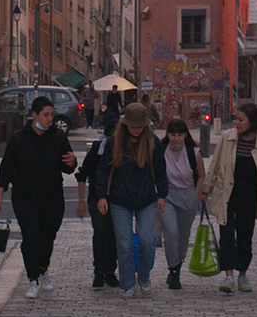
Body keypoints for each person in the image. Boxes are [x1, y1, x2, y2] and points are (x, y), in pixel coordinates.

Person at [0, 96, 78, 299]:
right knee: (31, 236)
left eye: (51, 115)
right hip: (25, 195)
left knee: (47, 236)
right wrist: (0, 191)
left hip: (52, 195)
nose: (50, 119)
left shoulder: (58, 137)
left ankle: (43, 269)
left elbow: (68, 167)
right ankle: (33, 279)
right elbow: (7, 167)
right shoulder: (19, 138)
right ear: (34, 115)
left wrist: (72, 162)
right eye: (46, 115)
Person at [197, 102, 257, 294]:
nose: (236, 123)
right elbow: (215, 165)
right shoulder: (228, 138)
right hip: (227, 194)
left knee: (245, 235)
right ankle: (228, 276)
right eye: (235, 119)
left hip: (250, 196)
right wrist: (206, 188)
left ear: (251, 121)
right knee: (227, 234)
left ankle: (243, 274)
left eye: (240, 120)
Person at [95, 102, 167, 297]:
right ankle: (127, 283)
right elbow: (102, 171)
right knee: (124, 243)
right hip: (119, 199)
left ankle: (143, 276)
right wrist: (101, 196)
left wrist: (162, 195)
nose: (136, 129)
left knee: (146, 240)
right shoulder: (113, 143)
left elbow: (160, 170)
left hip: (146, 199)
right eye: (132, 125)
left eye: (139, 126)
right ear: (125, 124)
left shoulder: (152, 142)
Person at [155, 118, 205, 289]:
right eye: (172, 134)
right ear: (167, 134)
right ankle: (173, 269)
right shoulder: (160, 150)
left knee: (183, 236)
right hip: (166, 194)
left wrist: (196, 194)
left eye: (179, 134)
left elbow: (201, 174)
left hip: (187, 195)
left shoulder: (193, 151)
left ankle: (178, 265)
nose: (176, 138)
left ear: (185, 135)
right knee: (171, 232)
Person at [75, 115, 120, 291]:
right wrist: (80, 201)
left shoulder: (124, 150)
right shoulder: (97, 150)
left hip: (117, 199)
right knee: (101, 233)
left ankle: (110, 271)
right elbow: (83, 174)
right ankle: (99, 272)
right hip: (97, 197)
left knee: (115, 235)